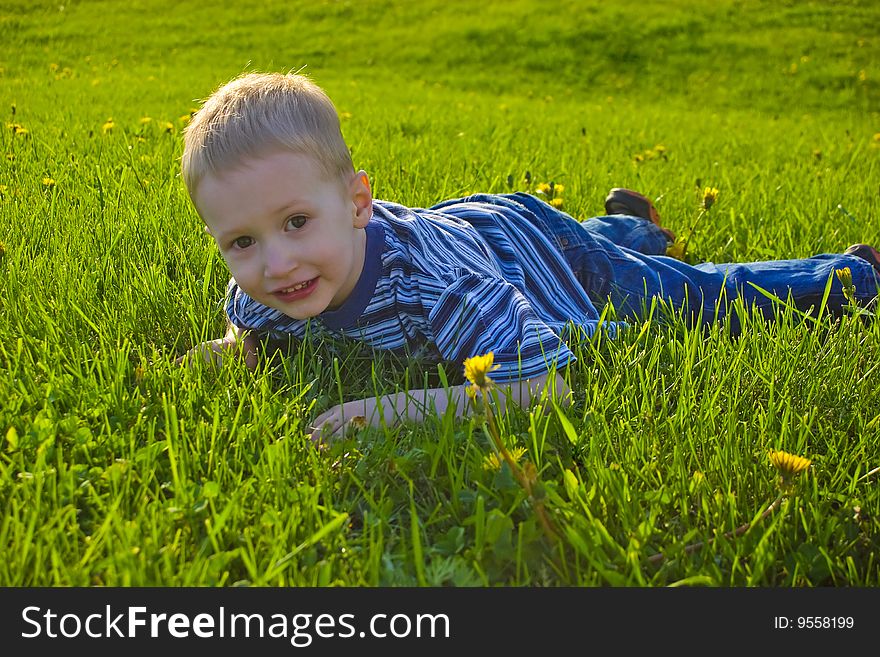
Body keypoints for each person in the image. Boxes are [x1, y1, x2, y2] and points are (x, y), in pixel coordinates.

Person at [179, 71, 880, 442]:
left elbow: (544, 387)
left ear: (359, 203)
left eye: (297, 222)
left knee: (685, 295)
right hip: (490, 237)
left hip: (527, 249)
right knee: (610, 250)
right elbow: (250, 329)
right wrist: (230, 346)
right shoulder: (265, 290)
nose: (274, 263)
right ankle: (624, 222)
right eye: (242, 241)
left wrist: (388, 410)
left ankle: (852, 274)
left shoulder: (435, 285)